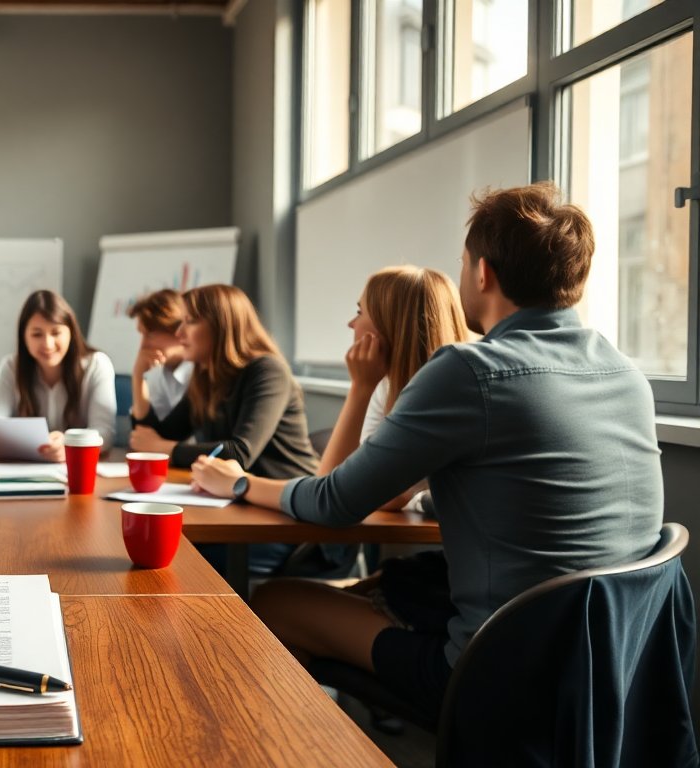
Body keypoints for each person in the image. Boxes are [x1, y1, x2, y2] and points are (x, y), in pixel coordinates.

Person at [192, 183, 664, 720]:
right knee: (374, 588)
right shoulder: (627, 375)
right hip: (612, 662)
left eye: (464, 262)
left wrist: (238, 482)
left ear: (482, 272)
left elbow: (332, 504)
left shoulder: (472, 371)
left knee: (276, 603)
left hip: (499, 670)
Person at [318, 266, 469, 507]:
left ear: (390, 325)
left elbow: (336, 494)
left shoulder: (444, 394)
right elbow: (334, 488)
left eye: (359, 312)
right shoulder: (387, 388)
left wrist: (360, 388)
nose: (351, 323)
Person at [130, 284, 317, 476]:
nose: (179, 333)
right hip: (235, 496)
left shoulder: (268, 370)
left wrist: (164, 449)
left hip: (289, 496)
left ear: (221, 326)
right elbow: (150, 439)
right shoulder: (205, 377)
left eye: (190, 321)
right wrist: (138, 378)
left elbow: (240, 453)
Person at [0, 290, 116, 462]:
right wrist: (39, 445)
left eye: (56, 333)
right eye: (37, 334)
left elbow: (105, 433)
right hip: (25, 472)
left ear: (71, 332)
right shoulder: (12, 366)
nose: (48, 344)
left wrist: (68, 446)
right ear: (24, 336)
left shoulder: (97, 365)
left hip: (79, 470)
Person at [127, 289, 192, 422]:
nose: (143, 345)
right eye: (141, 334)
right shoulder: (159, 374)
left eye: (150, 334)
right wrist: (138, 375)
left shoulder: (201, 372)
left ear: (177, 330)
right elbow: (143, 431)